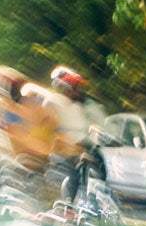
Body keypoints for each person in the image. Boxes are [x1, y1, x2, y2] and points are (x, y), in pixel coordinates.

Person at [45, 66, 108, 201]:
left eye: (76, 87)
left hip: (83, 142)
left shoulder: (82, 103)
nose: (74, 90)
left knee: (100, 165)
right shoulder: (53, 102)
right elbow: (51, 127)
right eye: (72, 87)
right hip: (64, 145)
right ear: (62, 87)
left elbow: (99, 120)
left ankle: (97, 200)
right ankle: (68, 204)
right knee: (73, 174)